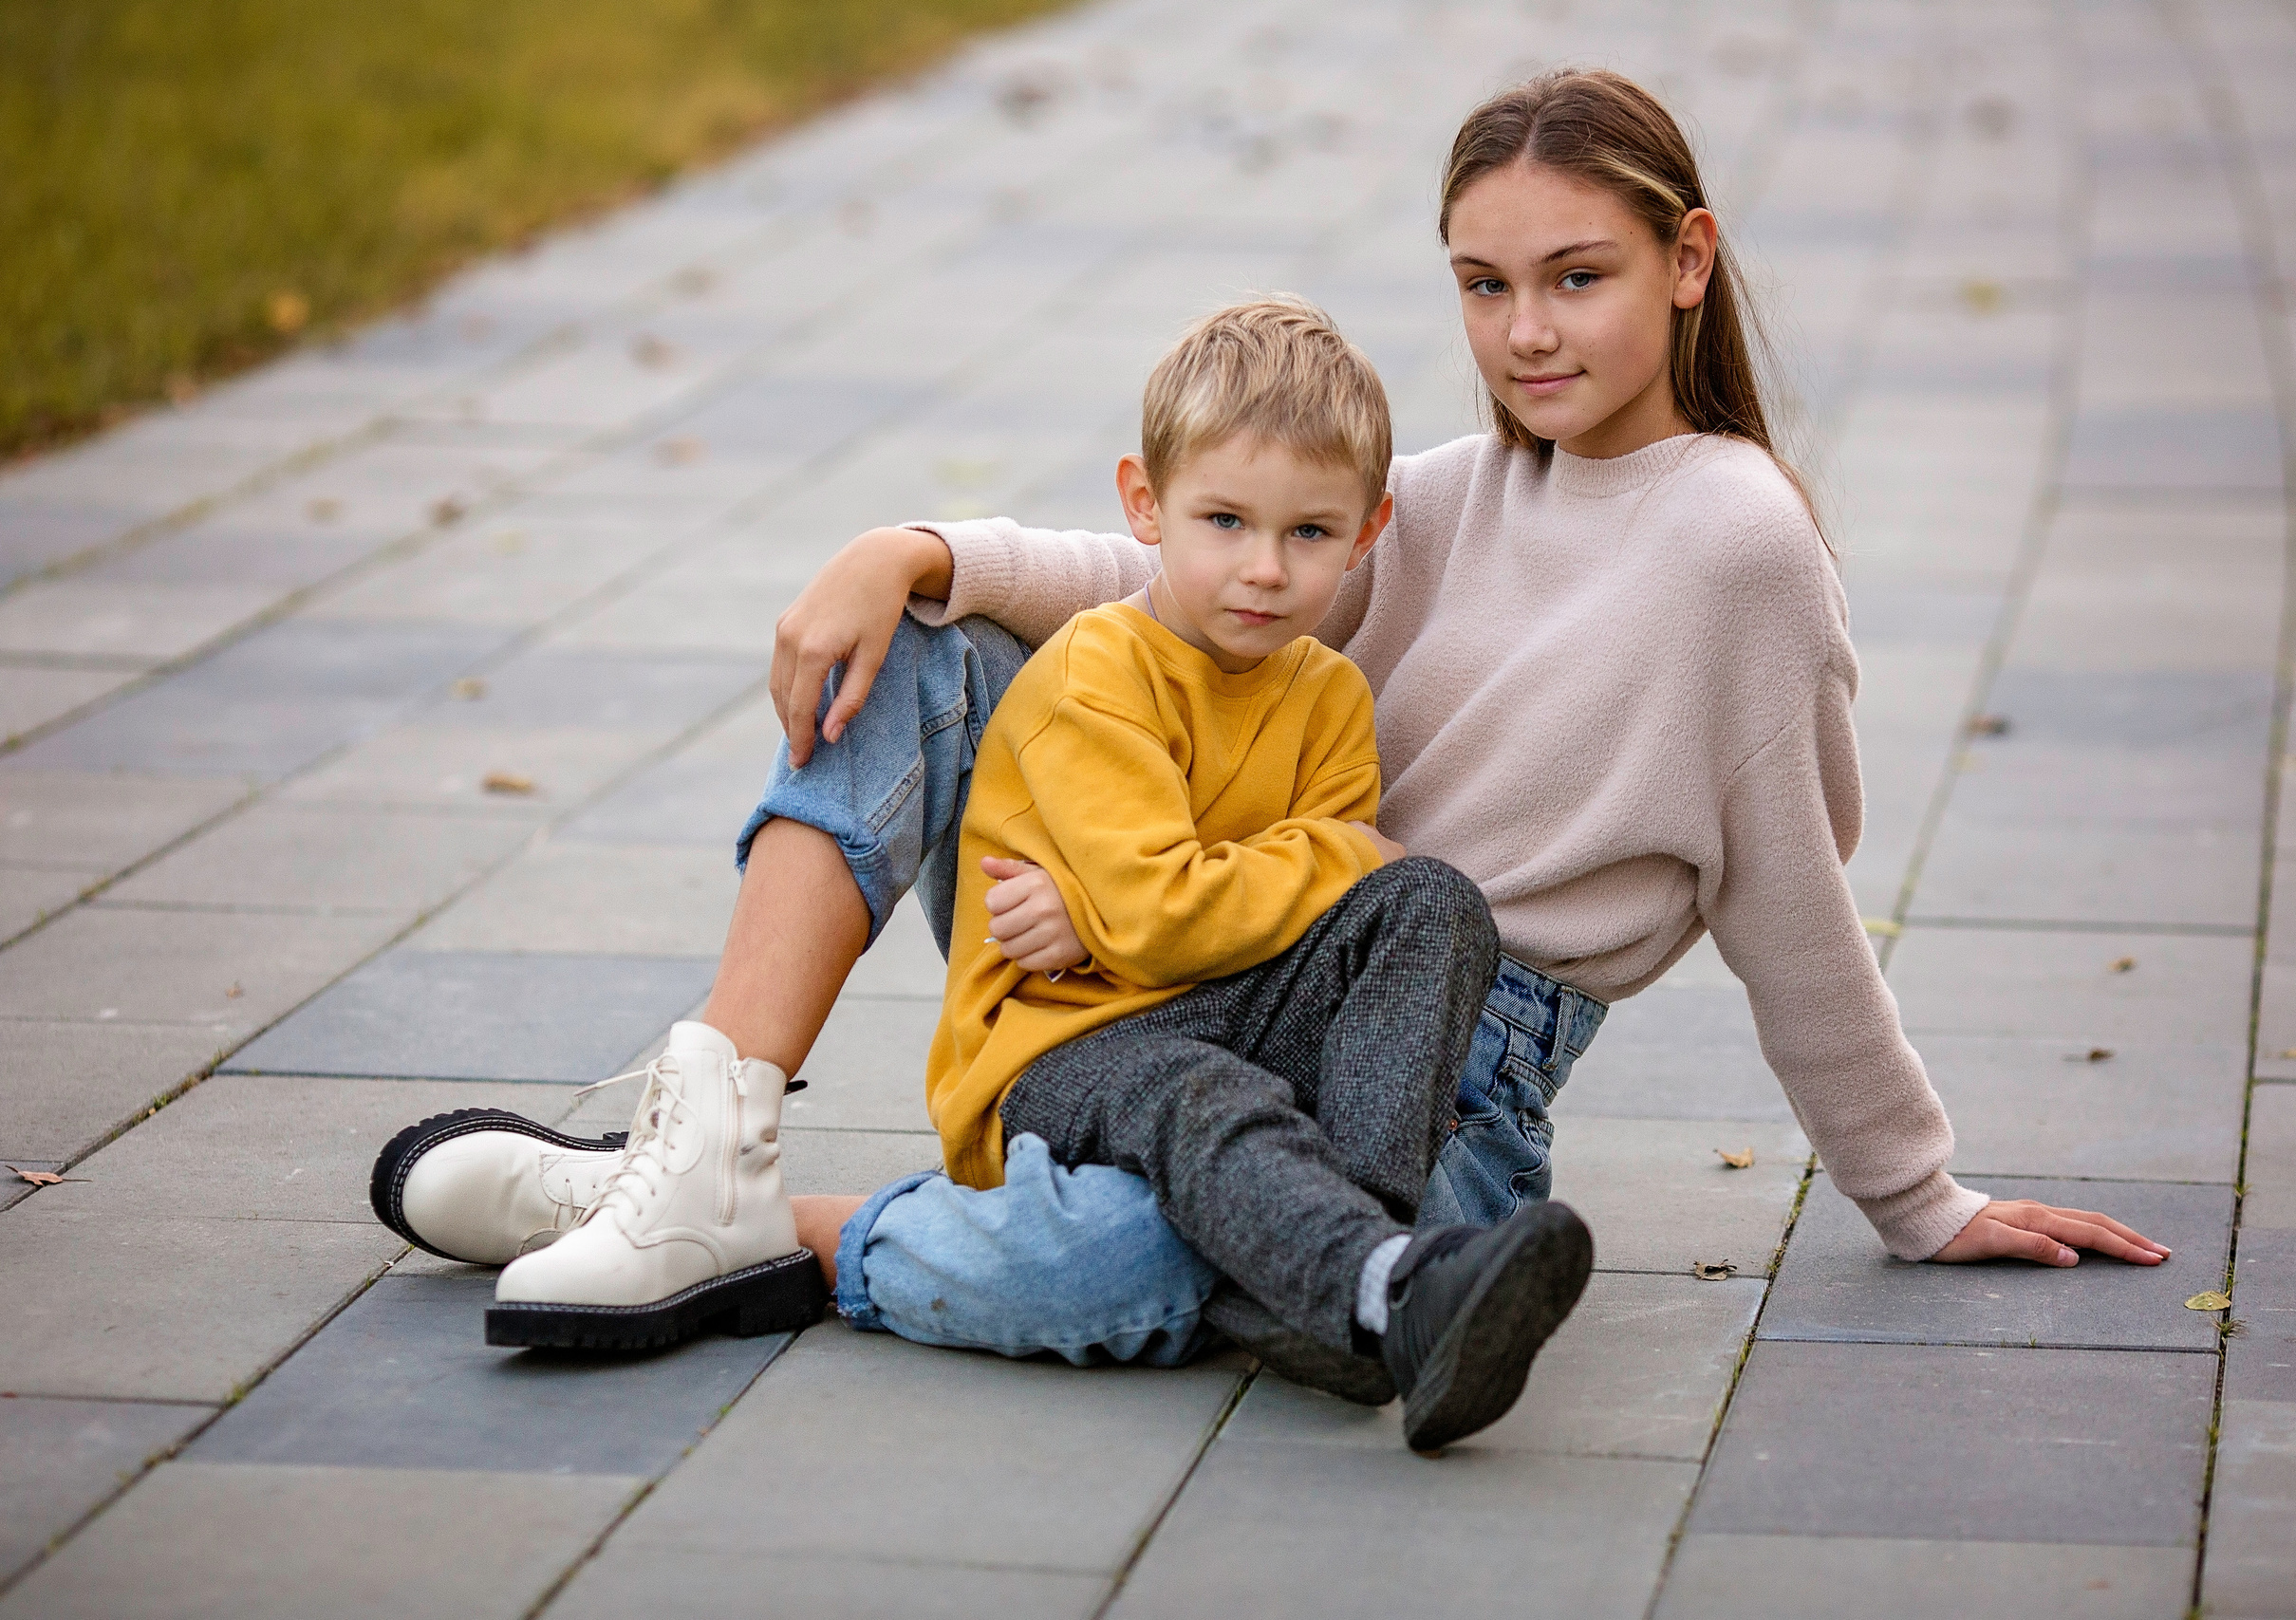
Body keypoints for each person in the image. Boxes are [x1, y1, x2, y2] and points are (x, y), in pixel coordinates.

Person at [374, 66, 2167, 1384]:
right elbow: (1150, 580)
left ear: (1687, 261)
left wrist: (1916, 1194)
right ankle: (711, 1136)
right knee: (934, 641)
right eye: (1483, 284)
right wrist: (916, 545)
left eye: (1577, 276)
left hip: (1433, 1043)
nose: (1525, 332)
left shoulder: (1738, 542)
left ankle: (738, 1237)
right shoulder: (1458, 494)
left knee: (1140, 1274)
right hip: (1174, 949)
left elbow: (1790, 895)